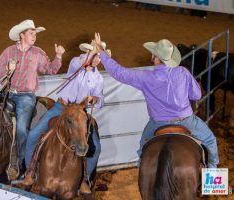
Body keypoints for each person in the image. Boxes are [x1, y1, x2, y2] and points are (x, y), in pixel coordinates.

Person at [94, 33, 219, 168]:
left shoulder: (145, 77)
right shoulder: (183, 72)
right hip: (186, 120)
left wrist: (102, 53)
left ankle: (142, 166)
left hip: (158, 123)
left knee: (142, 148)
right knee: (210, 140)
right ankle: (212, 176)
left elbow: (119, 72)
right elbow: (197, 95)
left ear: (155, 58)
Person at [25, 41, 110, 192]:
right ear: (88, 53)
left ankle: (84, 180)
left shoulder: (98, 78)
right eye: (95, 55)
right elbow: (80, 62)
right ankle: (29, 172)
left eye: (100, 57)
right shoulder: (75, 64)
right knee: (33, 135)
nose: (97, 59)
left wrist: (94, 99)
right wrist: (91, 53)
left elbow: (100, 100)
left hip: (80, 111)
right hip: (61, 107)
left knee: (95, 148)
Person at [0, 19, 65, 180]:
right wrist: (6, 69)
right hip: (6, 92)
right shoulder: (9, 52)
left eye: (35, 33)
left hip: (25, 96)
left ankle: (16, 163)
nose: (34, 36)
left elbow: (50, 70)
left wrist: (58, 56)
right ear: (22, 35)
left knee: (22, 129)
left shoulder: (38, 53)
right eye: (31, 33)